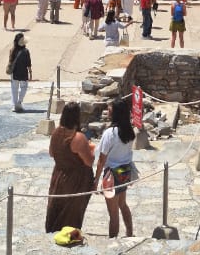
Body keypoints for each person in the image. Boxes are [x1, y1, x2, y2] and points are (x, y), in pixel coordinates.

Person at [45, 102, 95, 234]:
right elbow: (89, 162)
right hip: (76, 180)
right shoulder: (78, 137)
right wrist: (91, 149)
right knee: (73, 212)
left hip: (59, 176)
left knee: (58, 208)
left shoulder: (56, 133)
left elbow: (51, 153)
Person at [94, 100, 135, 238]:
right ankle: (129, 232)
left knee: (113, 213)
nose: (108, 111)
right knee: (122, 204)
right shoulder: (129, 131)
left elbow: (101, 160)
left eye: (110, 110)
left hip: (111, 175)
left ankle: (113, 240)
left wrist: (96, 180)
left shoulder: (110, 133)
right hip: (124, 172)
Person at [8, 32, 32, 112]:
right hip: (23, 72)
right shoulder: (26, 51)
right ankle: (19, 102)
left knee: (14, 89)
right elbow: (28, 63)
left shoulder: (12, 50)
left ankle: (14, 105)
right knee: (24, 88)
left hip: (14, 73)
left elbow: (10, 61)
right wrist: (30, 73)